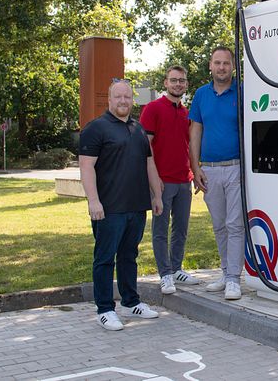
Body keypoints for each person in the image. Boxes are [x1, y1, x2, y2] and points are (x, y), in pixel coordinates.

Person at [79, 79, 164, 331]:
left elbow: (149, 164)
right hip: (109, 208)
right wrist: (93, 201)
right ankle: (105, 309)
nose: (123, 101)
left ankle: (130, 302)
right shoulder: (96, 129)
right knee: (104, 259)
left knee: (129, 256)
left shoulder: (138, 129)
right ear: (109, 99)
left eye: (127, 97)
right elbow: (86, 166)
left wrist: (157, 195)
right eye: (118, 97)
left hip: (136, 207)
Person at [139, 65, 200, 295]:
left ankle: (176, 268)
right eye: (173, 80)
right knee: (160, 229)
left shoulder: (187, 113)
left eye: (181, 81)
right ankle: (165, 275)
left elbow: (190, 147)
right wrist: (154, 180)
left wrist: (194, 173)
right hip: (162, 182)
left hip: (184, 180)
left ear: (186, 84)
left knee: (181, 229)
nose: (178, 84)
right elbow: (147, 148)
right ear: (165, 83)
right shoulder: (153, 109)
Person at [189, 46, 244, 301]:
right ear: (210, 66)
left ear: (232, 66)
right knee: (219, 226)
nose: (221, 67)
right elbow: (195, 132)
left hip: (235, 167)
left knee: (235, 224)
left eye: (226, 63)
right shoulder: (201, 95)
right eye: (217, 63)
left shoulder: (242, 92)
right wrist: (195, 167)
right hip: (209, 170)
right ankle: (225, 273)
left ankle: (234, 278)